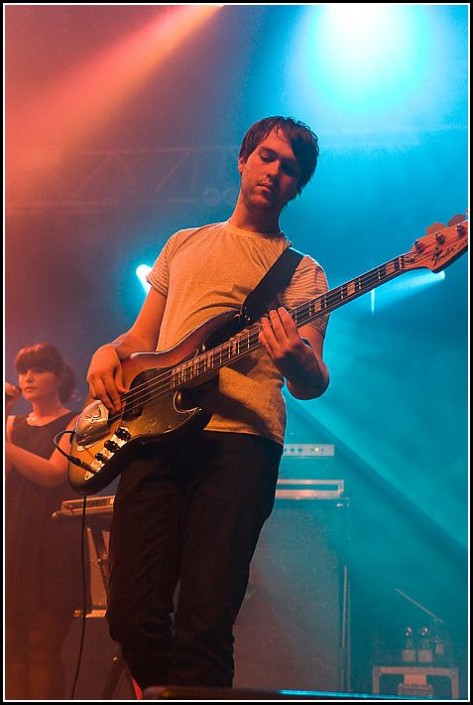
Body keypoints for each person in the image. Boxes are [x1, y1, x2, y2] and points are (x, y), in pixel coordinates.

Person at [85, 115, 330, 691]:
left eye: (289, 168)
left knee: (205, 623)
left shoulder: (305, 274)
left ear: (298, 186)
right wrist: (107, 349)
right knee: (131, 615)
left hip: (240, 449)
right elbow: (141, 340)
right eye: (266, 157)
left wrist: (295, 358)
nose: (275, 171)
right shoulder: (184, 243)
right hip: (154, 438)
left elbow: (313, 380)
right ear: (242, 160)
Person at [5, 342, 85, 700]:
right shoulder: (11, 423)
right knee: (12, 647)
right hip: (14, 536)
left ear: (58, 375)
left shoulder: (75, 422)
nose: (27, 378)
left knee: (42, 645)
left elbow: (54, 472)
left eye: (37, 370)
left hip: (52, 540)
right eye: (23, 371)